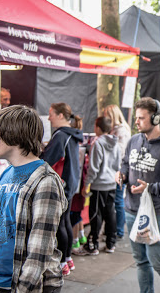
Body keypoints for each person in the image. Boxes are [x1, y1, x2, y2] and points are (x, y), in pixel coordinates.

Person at [0, 105, 67, 292]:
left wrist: (22, 288)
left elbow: (40, 250)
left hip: (28, 287)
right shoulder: (5, 175)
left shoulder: (45, 180)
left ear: (12, 135)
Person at [115, 97, 160, 293]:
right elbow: (126, 163)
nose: (136, 122)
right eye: (136, 118)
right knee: (140, 261)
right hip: (131, 209)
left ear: (155, 119)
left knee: (158, 261)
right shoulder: (133, 140)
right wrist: (122, 174)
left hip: (156, 212)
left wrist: (150, 188)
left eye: (141, 118)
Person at [42, 102, 83, 276]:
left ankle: (62, 261)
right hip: (71, 183)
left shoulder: (60, 135)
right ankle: (67, 259)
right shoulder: (70, 134)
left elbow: (48, 159)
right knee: (64, 222)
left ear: (60, 116)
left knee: (60, 224)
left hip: (63, 185)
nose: (49, 118)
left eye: (51, 114)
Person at [76, 117, 120, 255]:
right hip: (112, 183)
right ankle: (110, 243)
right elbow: (118, 164)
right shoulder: (116, 143)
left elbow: (94, 167)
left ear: (98, 128)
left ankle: (92, 245)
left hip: (99, 185)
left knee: (96, 214)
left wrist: (86, 185)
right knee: (110, 213)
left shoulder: (98, 143)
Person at [104, 104, 132, 239]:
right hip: (117, 169)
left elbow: (120, 153)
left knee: (118, 200)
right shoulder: (118, 129)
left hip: (119, 170)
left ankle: (119, 230)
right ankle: (116, 228)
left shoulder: (121, 131)